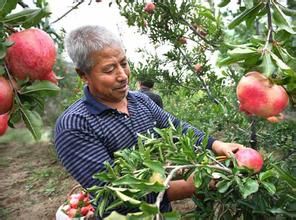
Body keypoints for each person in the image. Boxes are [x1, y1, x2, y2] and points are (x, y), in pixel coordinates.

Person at [54, 25, 244, 218]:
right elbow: (113, 195)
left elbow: (176, 128)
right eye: (109, 69)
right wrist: (190, 186)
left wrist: (216, 144)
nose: (122, 75)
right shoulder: (75, 125)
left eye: (124, 63)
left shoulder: (141, 100)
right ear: (83, 75)